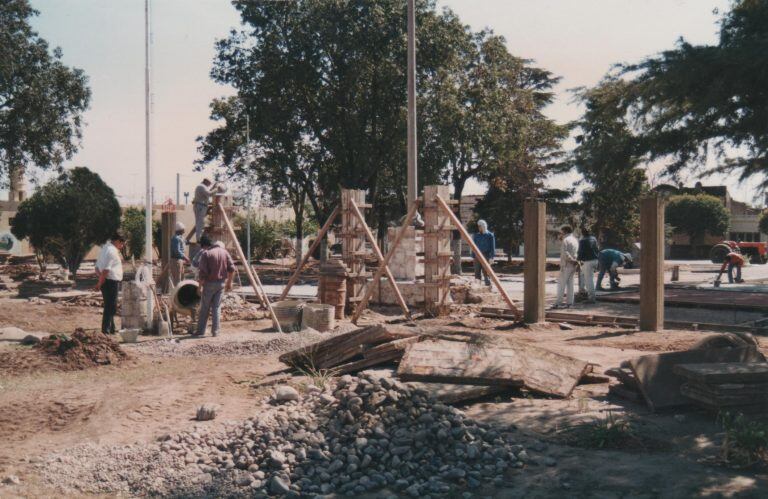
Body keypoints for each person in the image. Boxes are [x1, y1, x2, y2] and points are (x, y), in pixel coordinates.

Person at [195, 235, 235, 337]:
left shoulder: (206, 253)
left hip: (209, 284)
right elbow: (232, 269)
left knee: (205, 308)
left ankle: (200, 331)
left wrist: (199, 287)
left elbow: (202, 273)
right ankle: (215, 332)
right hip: (221, 284)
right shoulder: (225, 253)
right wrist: (229, 283)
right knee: (216, 307)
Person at [94, 233, 126, 334]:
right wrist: (100, 282)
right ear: (117, 241)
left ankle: (111, 328)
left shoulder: (105, 248)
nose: (122, 246)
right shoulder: (112, 251)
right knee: (110, 307)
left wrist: (101, 279)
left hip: (106, 280)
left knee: (109, 305)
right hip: (111, 282)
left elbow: (97, 268)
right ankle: (106, 331)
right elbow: (106, 270)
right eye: (122, 243)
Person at [554, 226, 579, 308]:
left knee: (561, 284)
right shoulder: (575, 240)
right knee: (570, 284)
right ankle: (570, 302)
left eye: (562, 232)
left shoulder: (566, 240)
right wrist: (574, 260)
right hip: (574, 264)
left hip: (566, 264)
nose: (561, 234)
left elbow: (565, 253)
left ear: (565, 231)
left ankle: (558, 303)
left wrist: (571, 259)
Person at [577, 228, 600, 302]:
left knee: (588, 280)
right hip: (595, 260)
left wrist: (578, 260)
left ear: (582, 233)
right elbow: (597, 249)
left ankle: (591, 298)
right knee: (584, 275)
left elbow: (580, 252)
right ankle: (582, 290)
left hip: (587, 261)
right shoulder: (594, 239)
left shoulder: (582, 241)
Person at [192, 178, 217, 242]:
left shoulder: (201, 187)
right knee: (200, 223)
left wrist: (213, 188)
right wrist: (216, 189)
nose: (209, 185)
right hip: (200, 206)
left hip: (200, 206)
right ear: (206, 182)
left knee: (200, 223)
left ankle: (199, 238)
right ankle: (199, 239)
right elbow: (209, 194)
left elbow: (208, 192)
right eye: (209, 183)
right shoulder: (201, 186)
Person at [472, 220, 495, 286]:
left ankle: (488, 286)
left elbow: (492, 247)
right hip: (477, 255)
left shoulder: (490, 235)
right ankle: (477, 286)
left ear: (483, 226)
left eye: (480, 226)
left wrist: (492, 257)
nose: (479, 228)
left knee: (486, 271)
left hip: (486, 255)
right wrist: (473, 256)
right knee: (477, 271)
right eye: (478, 226)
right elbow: (474, 246)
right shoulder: (476, 235)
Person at [170, 221, 190, 286]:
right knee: (177, 280)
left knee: (181, 278)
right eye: (183, 230)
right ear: (180, 230)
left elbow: (184, 242)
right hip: (176, 261)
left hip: (180, 260)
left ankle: (181, 293)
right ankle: (176, 294)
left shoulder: (180, 238)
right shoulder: (176, 239)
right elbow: (177, 251)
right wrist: (185, 257)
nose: (184, 231)